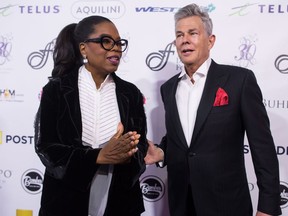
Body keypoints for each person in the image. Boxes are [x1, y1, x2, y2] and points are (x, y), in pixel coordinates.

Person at [144, 3, 281, 216]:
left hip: (227, 204)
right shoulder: (168, 88)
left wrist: (268, 207)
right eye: (179, 35)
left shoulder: (239, 81)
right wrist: (161, 152)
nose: (185, 40)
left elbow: (262, 147)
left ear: (210, 40)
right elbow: (182, 140)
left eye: (193, 33)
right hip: (182, 204)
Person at [34, 15, 148, 216]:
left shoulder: (131, 93)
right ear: (83, 48)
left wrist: (126, 153)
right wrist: (98, 156)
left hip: (119, 203)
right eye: (106, 41)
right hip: (65, 203)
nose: (116, 48)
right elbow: (46, 147)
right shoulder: (57, 90)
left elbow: (140, 147)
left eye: (119, 42)